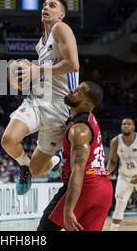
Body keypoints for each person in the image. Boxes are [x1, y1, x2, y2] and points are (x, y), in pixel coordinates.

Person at [1, 0, 80, 195]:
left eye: (52, 5)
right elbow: (44, 74)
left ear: (61, 15)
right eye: (44, 5)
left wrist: (38, 70)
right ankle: (23, 166)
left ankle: (55, 160)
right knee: (8, 140)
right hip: (37, 101)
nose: (46, 7)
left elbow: (73, 64)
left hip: (59, 108)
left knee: (38, 170)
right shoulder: (40, 43)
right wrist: (24, 75)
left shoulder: (61, 28)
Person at [37, 81, 112, 231]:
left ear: (87, 104)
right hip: (104, 189)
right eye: (76, 87)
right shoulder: (89, 117)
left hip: (86, 186)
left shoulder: (79, 130)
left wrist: (68, 209)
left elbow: (78, 169)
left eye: (79, 91)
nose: (72, 91)